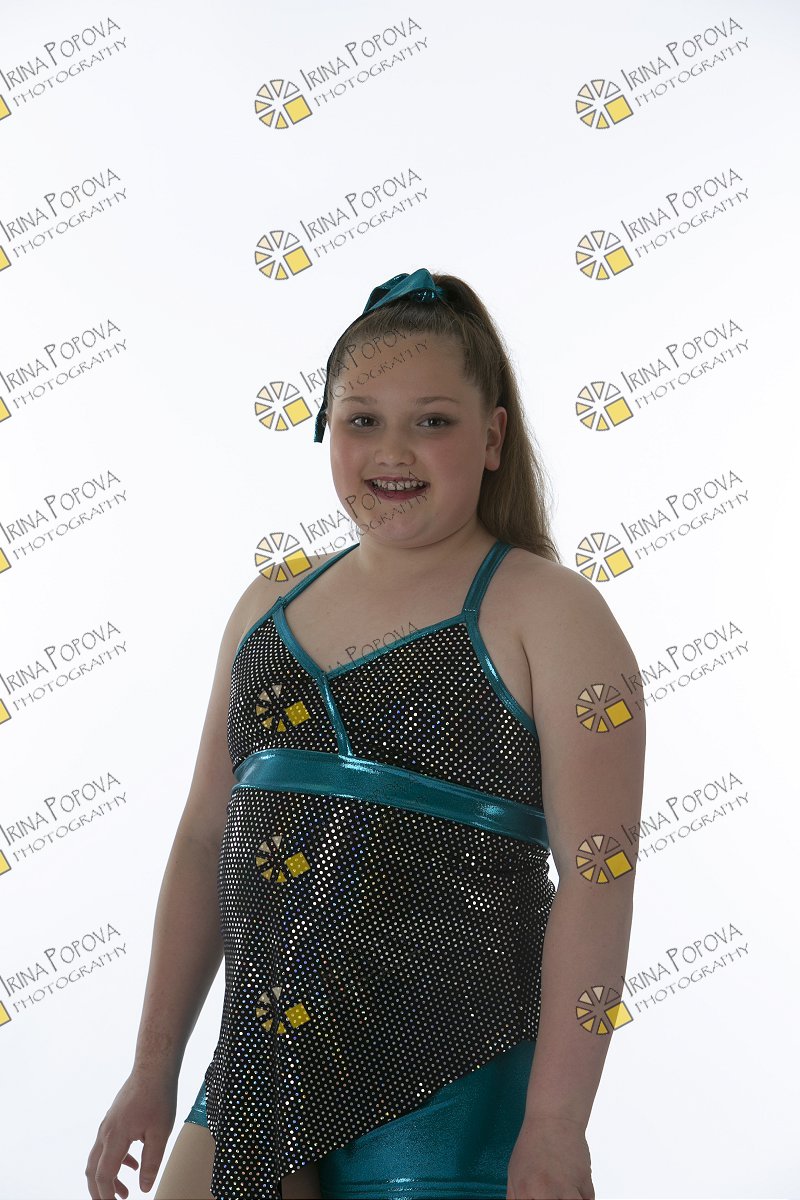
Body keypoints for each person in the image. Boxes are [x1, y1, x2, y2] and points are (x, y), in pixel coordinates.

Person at [86, 268, 645, 1200]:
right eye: (362, 419)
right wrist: (152, 1070)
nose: (393, 450)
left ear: (493, 437)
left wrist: (556, 1123)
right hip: (260, 1078)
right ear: (326, 429)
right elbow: (203, 840)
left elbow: (600, 875)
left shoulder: (548, 610)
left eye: (433, 421)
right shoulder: (269, 605)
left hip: (454, 1084)